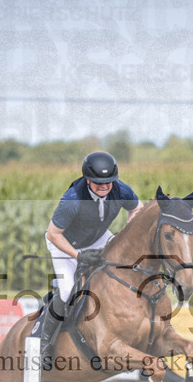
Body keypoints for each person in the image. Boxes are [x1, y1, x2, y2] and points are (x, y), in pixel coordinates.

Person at [41, 150, 141, 360]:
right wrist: (78, 256)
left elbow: (137, 209)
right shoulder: (72, 200)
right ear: (87, 180)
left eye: (108, 182)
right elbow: (53, 234)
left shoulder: (120, 189)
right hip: (65, 244)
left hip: (98, 237)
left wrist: (124, 235)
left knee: (126, 268)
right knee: (67, 290)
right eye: (98, 183)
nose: (104, 186)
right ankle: (45, 342)